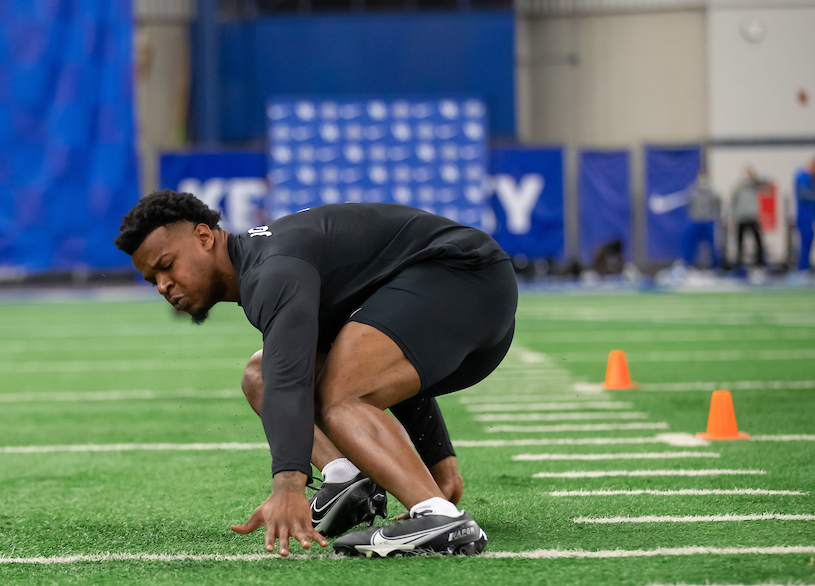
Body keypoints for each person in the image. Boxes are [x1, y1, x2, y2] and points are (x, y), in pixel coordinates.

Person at [114, 191, 516, 558]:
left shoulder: (271, 270)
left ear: (204, 236)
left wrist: (288, 486)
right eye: (153, 280)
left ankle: (439, 520)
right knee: (261, 375)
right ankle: (347, 479)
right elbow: (382, 351)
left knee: (342, 394)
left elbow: (295, 380)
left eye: (167, 266)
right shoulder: (264, 260)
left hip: (466, 279)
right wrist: (440, 465)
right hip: (462, 302)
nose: (164, 286)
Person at [681, 171, 721, 269]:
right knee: (690, 242)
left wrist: (714, 216)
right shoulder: (692, 191)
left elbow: (718, 203)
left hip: (708, 221)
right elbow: (688, 204)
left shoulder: (712, 192)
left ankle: (714, 266)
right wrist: (692, 215)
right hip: (696, 221)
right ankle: (688, 265)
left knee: (712, 244)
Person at [730, 166, 767, 270]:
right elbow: (733, 203)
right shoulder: (738, 187)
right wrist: (733, 217)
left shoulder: (754, 185)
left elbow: (766, 183)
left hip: (753, 217)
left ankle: (760, 262)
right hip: (741, 218)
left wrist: (754, 177)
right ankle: (739, 263)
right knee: (740, 242)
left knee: (758, 241)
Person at [793, 158, 815, 272]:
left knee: (810, 239)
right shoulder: (802, 177)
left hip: (810, 215)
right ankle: (803, 267)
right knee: (804, 241)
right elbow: (804, 194)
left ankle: (806, 265)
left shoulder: (810, 178)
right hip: (804, 215)